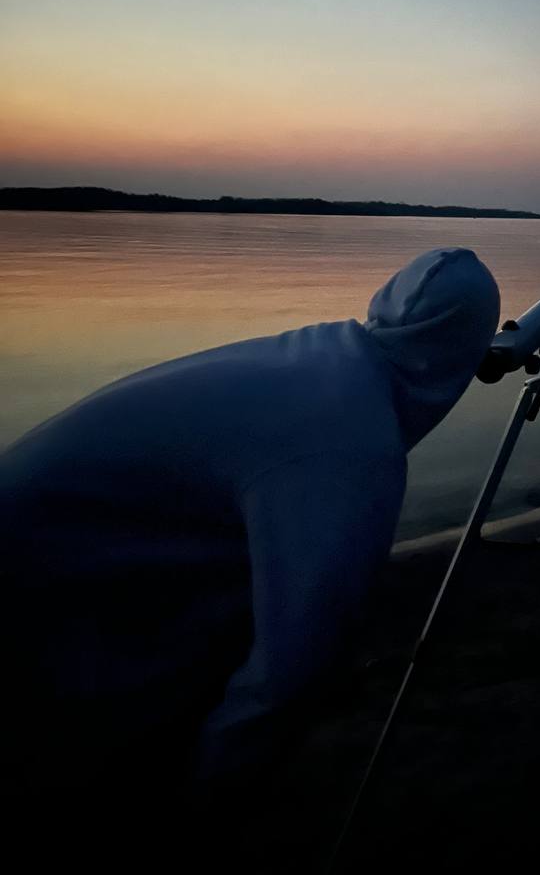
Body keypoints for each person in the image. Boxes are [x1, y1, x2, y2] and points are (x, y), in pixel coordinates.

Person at [1, 247, 500, 829]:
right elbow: (289, 671)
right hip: (29, 570)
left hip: (49, 534)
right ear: (463, 350)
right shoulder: (349, 446)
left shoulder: (321, 357)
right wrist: (208, 807)